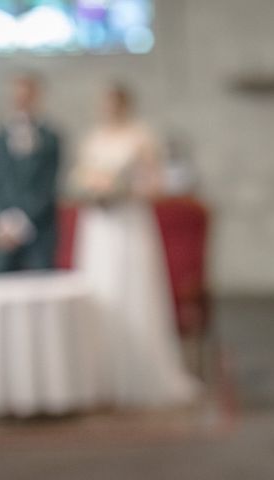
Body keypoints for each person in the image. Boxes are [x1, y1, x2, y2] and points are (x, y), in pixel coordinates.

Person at [71, 83, 199, 408]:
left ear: (125, 104)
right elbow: (81, 177)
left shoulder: (141, 136)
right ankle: (101, 375)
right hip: (99, 225)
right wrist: (95, 189)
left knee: (129, 290)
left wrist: (124, 190)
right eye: (104, 102)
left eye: (113, 102)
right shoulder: (93, 138)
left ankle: (138, 373)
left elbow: (156, 185)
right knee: (100, 290)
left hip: (128, 222)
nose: (108, 108)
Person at [0, 73, 60, 273]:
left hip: (39, 226)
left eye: (27, 95)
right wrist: (5, 222)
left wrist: (22, 221)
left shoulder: (50, 138)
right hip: (3, 228)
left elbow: (49, 184)